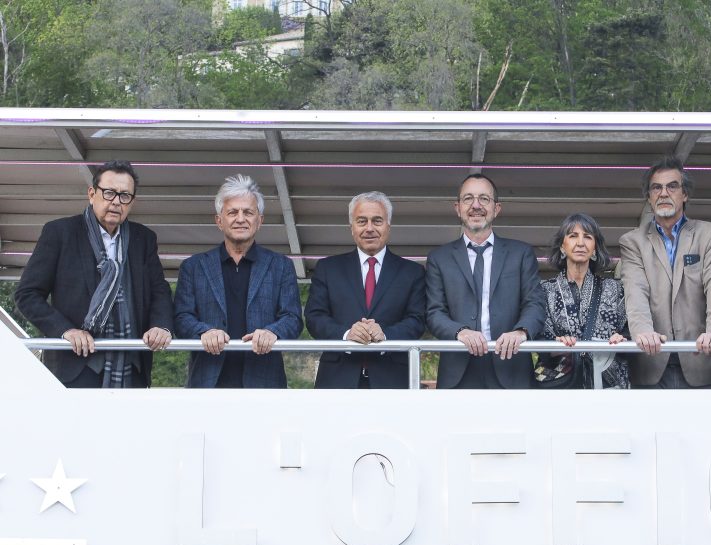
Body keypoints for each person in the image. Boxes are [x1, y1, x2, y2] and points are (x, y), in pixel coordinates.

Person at [15, 159, 174, 388]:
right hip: (75, 366)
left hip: (132, 366)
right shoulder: (60, 232)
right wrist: (65, 331)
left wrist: (161, 326)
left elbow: (159, 291)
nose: (116, 202)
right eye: (109, 193)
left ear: (132, 201)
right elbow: (27, 295)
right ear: (92, 194)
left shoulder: (144, 239)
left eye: (124, 196)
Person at [174, 175, 302, 388]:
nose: (240, 218)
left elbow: (293, 318)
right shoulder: (194, 267)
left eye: (248, 212)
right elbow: (181, 317)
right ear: (219, 221)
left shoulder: (281, 266)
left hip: (264, 382)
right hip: (207, 383)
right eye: (232, 212)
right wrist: (203, 331)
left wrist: (273, 332)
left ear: (259, 221)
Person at [618, 156, 711, 388]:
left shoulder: (710, 235)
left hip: (702, 358)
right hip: (650, 361)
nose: (663, 193)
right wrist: (642, 333)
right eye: (656, 188)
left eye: (672, 186)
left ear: (685, 194)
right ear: (649, 198)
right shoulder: (632, 241)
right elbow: (635, 291)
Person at [426, 173, 546, 389]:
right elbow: (434, 312)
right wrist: (460, 331)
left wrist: (521, 331)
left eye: (484, 198)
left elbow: (535, 304)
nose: (476, 205)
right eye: (468, 198)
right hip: (458, 370)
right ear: (457, 208)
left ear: (496, 208)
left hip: (511, 366)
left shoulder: (521, 253)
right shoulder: (439, 258)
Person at [306, 191, 426, 388]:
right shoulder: (328, 268)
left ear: (388, 226)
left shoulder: (412, 272)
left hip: (393, 380)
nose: (369, 228)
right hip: (337, 379)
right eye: (362, 221)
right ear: (351, 228)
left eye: (377, 221)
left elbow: (417, 320)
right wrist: (346, 335)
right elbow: (314, 316)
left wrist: (386, 335)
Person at [539, 213, 629, 388]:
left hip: (608, 385)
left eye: (587, 237)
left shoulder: (615, 288)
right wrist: (556, 344)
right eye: (573, 236)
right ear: (562, 247)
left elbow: (630, 329)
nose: (580, 243)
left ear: (595, 248)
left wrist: (622, 338)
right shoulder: (545, 290)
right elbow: (539, 338)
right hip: (562, 384)